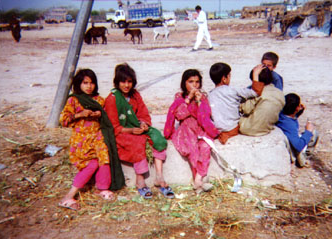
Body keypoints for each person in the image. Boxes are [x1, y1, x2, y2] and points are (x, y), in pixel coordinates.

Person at [105, 63, 174, 199]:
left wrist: (144, 124)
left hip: (136, 128)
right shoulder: (112, 99)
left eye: (130, 81)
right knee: (137, 143)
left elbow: (143, 113)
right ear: (117, 82)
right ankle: (140, 179)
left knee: (157, 138)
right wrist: (130, 130)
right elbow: (113, 126)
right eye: (123, 81)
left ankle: (159, 177)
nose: (126, 85)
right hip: (122, 132)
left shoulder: (135, 95)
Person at [59, 69, 124, 210]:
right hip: (81, 141)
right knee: (91, 164)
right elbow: (63, 120)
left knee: (104, 159)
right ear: (78, 84)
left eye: (92, 83)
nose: (89, 86)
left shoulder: (99, 100)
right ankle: (68, 196)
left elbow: (108, 117)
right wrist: (80, 114)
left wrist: (100, 113)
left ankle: (102, 188)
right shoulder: (74, 100)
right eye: (85, 83)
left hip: (98, 138)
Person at [164, 69, 219, 194]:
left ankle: (198, 179)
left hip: (200, 128)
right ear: (184, 83)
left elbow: (204, 117)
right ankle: (199, 181)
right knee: (192, 148)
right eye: (191, 82)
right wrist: (188, 99)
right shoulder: (180, 97)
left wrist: (199, 102)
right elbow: (179, 115)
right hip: (186, 129)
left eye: (197, 82)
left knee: (205, 147)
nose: (194, 85)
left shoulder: (202, 97)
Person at [208, 62, 264, 144]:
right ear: (224, 78)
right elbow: (255, 92)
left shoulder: (210, 95)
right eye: (229, 76)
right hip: (233, 128)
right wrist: (255, 74)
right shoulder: (232, 90)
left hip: (218, 129)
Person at [239, 65, 285, 136]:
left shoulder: (258, 94)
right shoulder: (280, 93)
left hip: (248, 128)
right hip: (266, 129)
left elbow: (246, 109)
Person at [276, 93, 319, 167]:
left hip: (288, 141)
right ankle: (304, 159)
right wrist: (308, 131)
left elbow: (290, 116)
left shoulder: (281, 115)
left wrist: (298, 112)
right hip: (293, 149)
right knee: (314, 133)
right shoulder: (290, 125)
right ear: (296, 108)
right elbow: (298, 146)